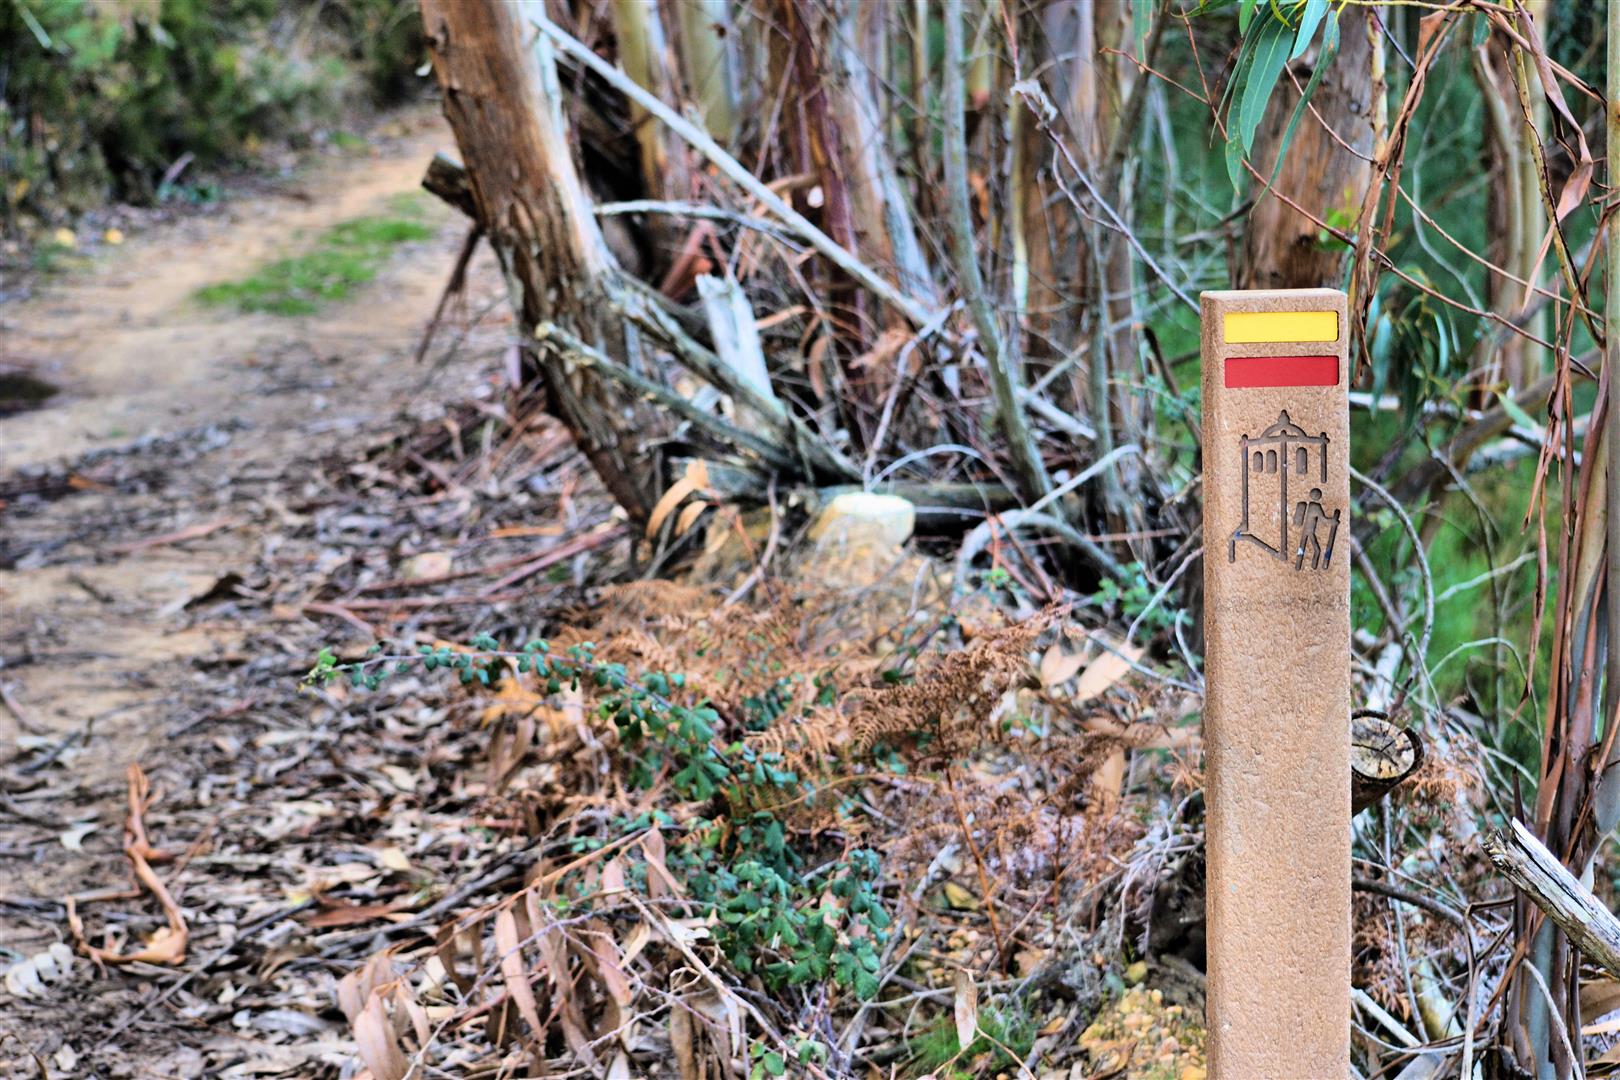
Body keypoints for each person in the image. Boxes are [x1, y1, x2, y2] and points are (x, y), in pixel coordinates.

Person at [1292, 488, 1339, 570]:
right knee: (1316, 549)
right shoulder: (1316, 507)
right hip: (1309, 531)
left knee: (1302, 547)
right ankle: (1311, 565)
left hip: (1306, 530)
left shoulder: (1310, 505)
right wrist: (1333, 521)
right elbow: (1323, 519)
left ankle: (1300, 564)